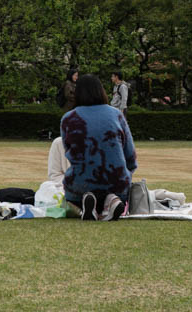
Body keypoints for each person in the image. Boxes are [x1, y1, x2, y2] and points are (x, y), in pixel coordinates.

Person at [59, 74, 137, 218]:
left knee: (72, 195)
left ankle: (88, 201)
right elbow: (130, 155)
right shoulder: (116, 115)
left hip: (80, 184)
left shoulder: (68, 119)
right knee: (113, 191)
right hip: (117, 182)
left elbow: (70, 152)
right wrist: (126, 174)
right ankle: (111, 200)